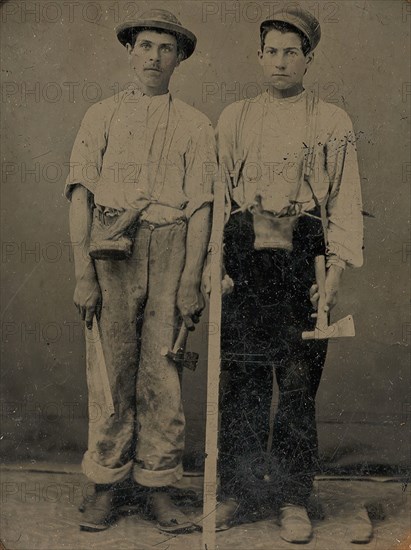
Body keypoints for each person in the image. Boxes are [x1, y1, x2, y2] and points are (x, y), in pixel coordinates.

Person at [215, 7, 364, 543]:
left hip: (304, 252)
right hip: (243, 252)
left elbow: (345, 199)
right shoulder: (234, 117)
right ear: (260, 57)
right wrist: (218, 266)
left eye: (292, 52)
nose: (281, 62)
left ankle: (292, 497)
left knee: (298, 382)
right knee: (241, 378)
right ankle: (237, 491)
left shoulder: (332, 121)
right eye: (272, 51)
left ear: (309, 59)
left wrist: (336, 272)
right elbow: (216, 200)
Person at [66, 9, 215, 533]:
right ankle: (106, 485)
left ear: (179, 58)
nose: (154, 57)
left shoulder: (196, 124)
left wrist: (191, 279)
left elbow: (201, 207)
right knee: (111, 371)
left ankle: (158, 488)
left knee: (163, 371)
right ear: (131, 51)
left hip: (172, 250)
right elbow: (80, 194)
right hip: (111, 252)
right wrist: (83, 270)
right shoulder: (100, 115)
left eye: (165, 49)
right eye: (146, 46)